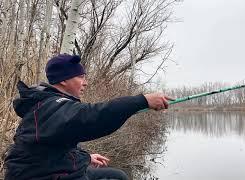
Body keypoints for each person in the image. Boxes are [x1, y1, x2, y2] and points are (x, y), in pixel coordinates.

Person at [4, 54, 173, 180]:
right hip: (41, 176)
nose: (85, 82)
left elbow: (53, 147)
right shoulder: (51, 106)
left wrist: (86, 157)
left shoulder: (50, 104)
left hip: (52, 168)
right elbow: (93, 117)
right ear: (63, 80)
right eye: (81, 77)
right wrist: (142, 100)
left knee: (117, 176)